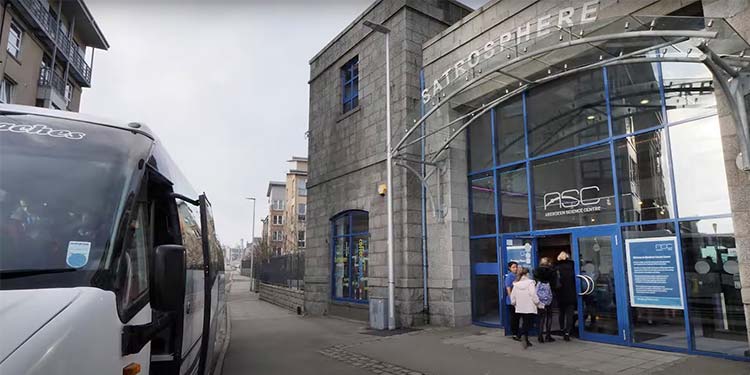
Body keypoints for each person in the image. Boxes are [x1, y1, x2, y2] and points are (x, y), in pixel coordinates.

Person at [510, 267, 539, 349]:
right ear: (527, 274)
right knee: (528, 323)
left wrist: (514, 303)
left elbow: (513, 296)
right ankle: (522, 335)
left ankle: (525, 338)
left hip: (520, 307)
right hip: (529, 307)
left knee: (524, 323)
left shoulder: (516, 284)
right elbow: (533, 294)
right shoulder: (530, 283)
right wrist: (537, 302)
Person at [533, 257, 556, 343]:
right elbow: (555, 283)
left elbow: (535, 282)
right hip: (549, 296)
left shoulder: (536, 271)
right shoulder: (552, 271)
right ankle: (548, 335)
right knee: (549, 316)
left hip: (540, 297)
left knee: (541, 317)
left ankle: (540, 336)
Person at [556, 251, 577, 341]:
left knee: (561, 313)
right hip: (571, 293)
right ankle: (568, 332)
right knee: (570, 314)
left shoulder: (556, 268)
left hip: (561, 293)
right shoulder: (573, 266)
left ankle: (561, 328)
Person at [504, 261, 520, 340]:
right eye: (513, 267)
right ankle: (514, 334)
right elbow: (508, 288)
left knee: (517, 317)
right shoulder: (509, 276)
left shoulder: (517, 275)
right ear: (509, 268)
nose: (515, 268)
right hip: (512, 301)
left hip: (519, 300)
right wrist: (512, 299)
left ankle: (517, 333)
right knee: (514, 318)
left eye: (516, 267)